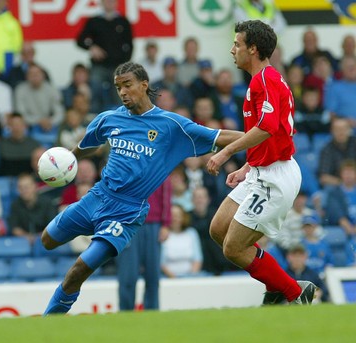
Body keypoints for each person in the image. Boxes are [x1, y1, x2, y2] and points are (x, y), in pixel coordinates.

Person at [41, 61, 244, 315]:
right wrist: (68, 160)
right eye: (118, 87)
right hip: (97, 196)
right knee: (47, 240)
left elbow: (218, 135)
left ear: (144, 85)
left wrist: (259, 136)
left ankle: (47, 321)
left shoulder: (171, 126)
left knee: (79, 269)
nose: (123, 92)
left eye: (127, 85)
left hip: (127, 211)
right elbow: (89, 144)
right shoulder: (108, 119)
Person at [206, 20, 317, 306]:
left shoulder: (264, 80)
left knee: (233, 247)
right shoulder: (264, 80)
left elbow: (267, 127)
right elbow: (272, 131)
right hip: (260, 170)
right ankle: (282, 284)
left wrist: (226, 152)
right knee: (218, 229)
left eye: (237, 44)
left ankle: (293, 294)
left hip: (276, 176)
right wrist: (247, 166)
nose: (232, 50)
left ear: (252, 49)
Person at [116, 179, 171, 311]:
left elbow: (166, 191)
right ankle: (125, 314)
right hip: (128, 223)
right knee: (127, 275)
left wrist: (165, 224)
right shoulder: (126, 161)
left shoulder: (159, 162)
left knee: (153, 275)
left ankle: (152, 313)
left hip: (153, 224)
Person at [76, 0, 133, 112]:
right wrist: (91, 47)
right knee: (94, 90)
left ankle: (122, 118)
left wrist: (124, 64)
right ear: (101, 3)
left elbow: (129, 45)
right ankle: (93, 116)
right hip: (99, 65)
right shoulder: (94, 21)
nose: (109, 3)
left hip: (117, 66)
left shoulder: (123, 21)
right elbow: (80, 40)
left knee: (121, 94)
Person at [9, 173, 57, 244]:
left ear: (35, 187)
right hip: (23, 242)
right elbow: (14, 228)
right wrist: (27, 237)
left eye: (26, 187)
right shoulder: (15, 205)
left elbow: (53, 226)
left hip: (46, 241)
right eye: (20, 188)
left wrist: (38, 238)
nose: (24, 190)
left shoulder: (47, 203)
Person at [318, 117, 356, 187]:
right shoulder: (327, 149)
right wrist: (344, 184)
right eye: (337, 129)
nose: (341, 132)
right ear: (331, 131)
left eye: (344, 129)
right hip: (336, 189)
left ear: (349, 130)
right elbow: (323, 177)